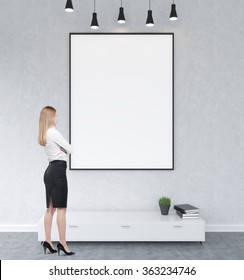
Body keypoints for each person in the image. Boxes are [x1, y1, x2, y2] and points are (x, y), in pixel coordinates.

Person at [38, 106, 75, 256]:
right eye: (56, 116)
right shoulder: (53, 132)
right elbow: (71, 149)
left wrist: (63, 150)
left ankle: (48, 241)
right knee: (61, 210)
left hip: (49, 171)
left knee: (50, 209)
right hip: (58, 171)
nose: (57, 118)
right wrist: (64, 150)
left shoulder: (45, 133)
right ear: (50, 117)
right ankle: (63, 244)